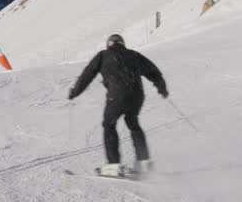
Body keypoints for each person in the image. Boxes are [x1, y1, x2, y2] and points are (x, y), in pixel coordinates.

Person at [67, 34, 167, 177]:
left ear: (109, 44)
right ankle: (144, 163)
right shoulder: (134, 55)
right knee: (133, 123)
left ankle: (113, 165)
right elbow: (153, 71)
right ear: (122, 43)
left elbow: (87, 75)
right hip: (137, 97)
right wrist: (161, 88)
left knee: (109, 124)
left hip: (117, 96)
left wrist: (74, 92)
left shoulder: (103, 55)